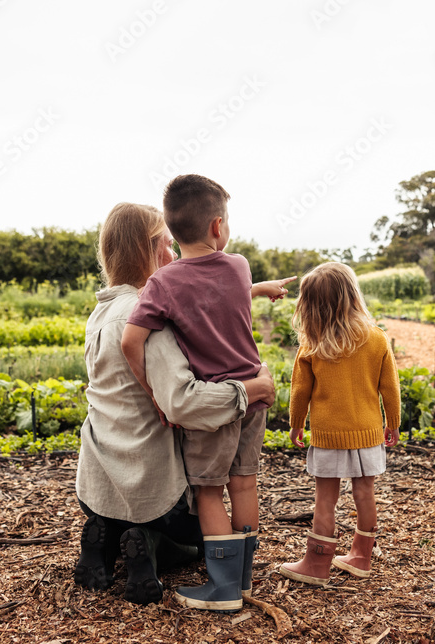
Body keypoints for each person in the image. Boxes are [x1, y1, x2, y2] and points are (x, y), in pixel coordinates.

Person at [74, 202, 276, 606]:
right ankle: (147, 545)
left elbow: (198, 296)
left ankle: (106, 537)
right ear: (148, 251)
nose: (174, 256)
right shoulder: (148, 321)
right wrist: (253, 389)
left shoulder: (101, 313)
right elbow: (183, 403)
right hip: (150, 485)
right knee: (204, 537)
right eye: (167, 245)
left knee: (124, 515)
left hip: (97, 481)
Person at [120, 174, 295, 612]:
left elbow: (129, 341)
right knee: (244, 482)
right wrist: (261, 288)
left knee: (208, 491)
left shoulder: (163, 285)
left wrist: (156, 394)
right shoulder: (238, 266)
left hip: (215, 404)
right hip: (254, 396)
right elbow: (226, 295)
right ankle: (244, 578)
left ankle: (222, 589)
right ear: (218, 227)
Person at [279, 262, 401, 585]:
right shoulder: (377, 339)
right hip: (368, 434)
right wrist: (393, 423)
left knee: (325, 499)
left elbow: (299, 391)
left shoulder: (313, 345)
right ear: (353, 296)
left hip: (328, 435)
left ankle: (317, 565)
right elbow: (390, 387)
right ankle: (361, 557)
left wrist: (296, 424)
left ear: (310, 306)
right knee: (365, 493)